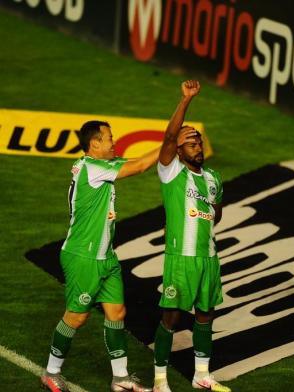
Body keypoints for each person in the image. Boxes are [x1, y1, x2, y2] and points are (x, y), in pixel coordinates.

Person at [41, 120, 159, 392]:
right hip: (83, 256)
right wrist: (171, 143)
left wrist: (167, 146)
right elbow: (140, 166)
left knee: (117, 311)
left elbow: (140, 159)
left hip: (105, 256)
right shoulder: (94, 168)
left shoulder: (94, 165)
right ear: (94, 143)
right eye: (109, 137)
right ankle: (51, 371)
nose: (113, 141)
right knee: (76, 317)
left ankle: (120, 377)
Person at [152, 80, 230, 392]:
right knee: (170, 318)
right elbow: (169, 136)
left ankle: (201, 375)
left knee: (205, 316)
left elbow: (217, 210)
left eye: (198, 142)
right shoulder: (171, 171)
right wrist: (185, 101)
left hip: (209, 258)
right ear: (179, 151)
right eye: (190, 143)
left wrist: (203, 222)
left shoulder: (213, 178)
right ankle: (159, 381)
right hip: (181, 259)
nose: (196, 146)